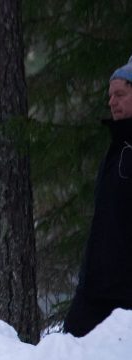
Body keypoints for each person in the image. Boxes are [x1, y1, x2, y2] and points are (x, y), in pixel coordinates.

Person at [64, 57, 132, 336]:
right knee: (68, 348)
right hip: (97, 285)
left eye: (120, 94)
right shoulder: (117, 147)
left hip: (124, 288)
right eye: (110, 96)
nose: (112, 102)